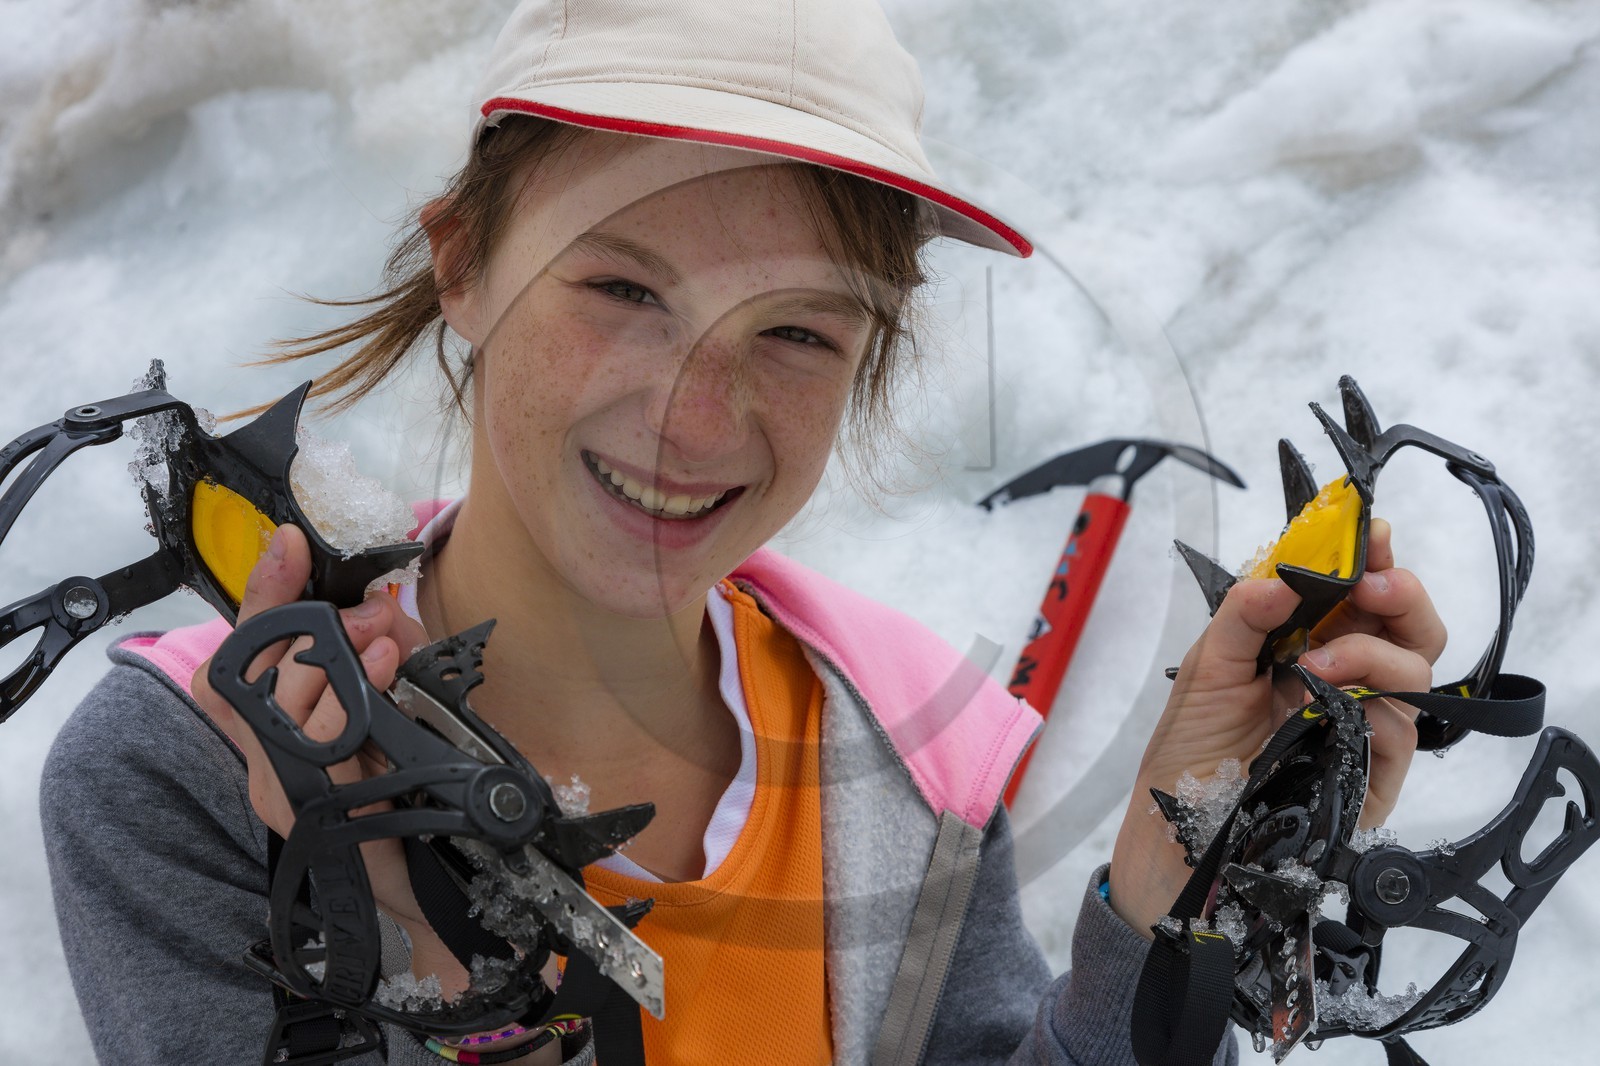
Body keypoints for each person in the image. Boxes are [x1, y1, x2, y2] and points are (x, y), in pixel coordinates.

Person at [39, 0, 1444, 1063]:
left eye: (792, 330)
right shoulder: (193, 771)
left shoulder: (904, 754)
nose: (694, 417)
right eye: (624, 290)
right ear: (463, 262)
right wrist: (386, 954)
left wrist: (1169, 873)